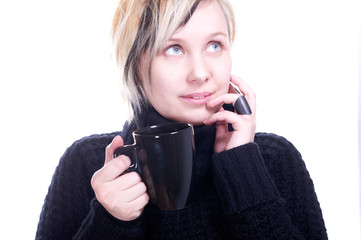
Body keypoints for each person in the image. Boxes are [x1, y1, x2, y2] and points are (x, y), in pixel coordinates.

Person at [36, 0, 328, 239]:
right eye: (174, 49)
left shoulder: (274, 159)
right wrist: (109, 222)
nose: (200, 73)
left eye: (215, 45)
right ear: (135, 62)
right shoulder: (87, 164)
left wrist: (244, 169)